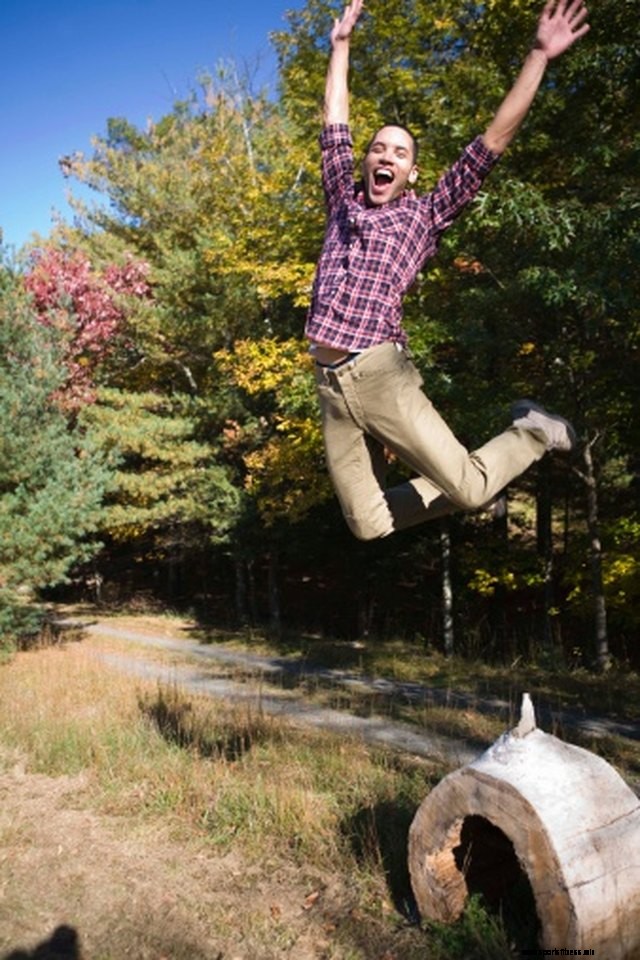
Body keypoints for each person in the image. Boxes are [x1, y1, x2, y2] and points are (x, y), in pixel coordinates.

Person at [306, 0, 589, 541]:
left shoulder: (424, 214)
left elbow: (492, 143)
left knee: (472, 491)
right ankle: (458, 469)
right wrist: (340, 47)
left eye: (401, 153)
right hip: (329, 385)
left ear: (412, 173)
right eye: (378, 148)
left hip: (379, 373)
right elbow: (334, 120)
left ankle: (533, 432)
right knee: (366, 525)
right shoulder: (341, 197)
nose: (386, 156)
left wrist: (538, 56)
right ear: (366, 163)